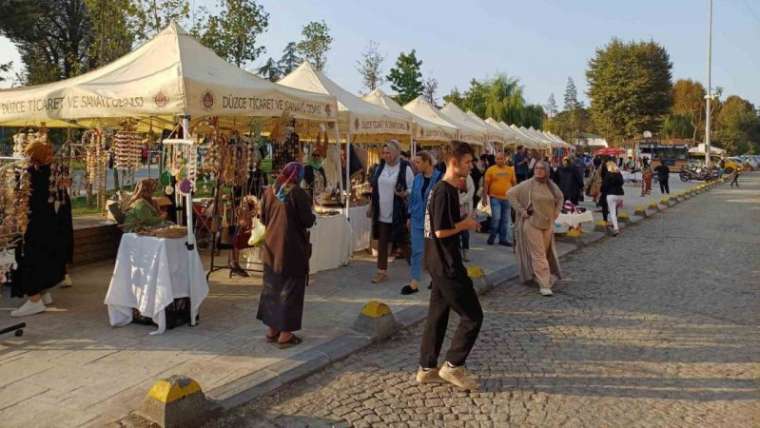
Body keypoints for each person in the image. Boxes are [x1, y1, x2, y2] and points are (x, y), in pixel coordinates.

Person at [417, 141, 483, 391]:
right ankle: (453, 365)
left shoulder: (442, 188)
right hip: (447, 264)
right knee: (473, 316)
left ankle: (426, 368)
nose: (470, 166)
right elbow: (441, 230)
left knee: (437, 316)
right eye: (467, 162)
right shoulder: (444, 190)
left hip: (436, 261)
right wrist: (464, 225)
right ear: (454, 162)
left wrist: (465, 220)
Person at [10, 141, 74, 317]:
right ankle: (43, 293)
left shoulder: (28, 174)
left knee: (29, 259)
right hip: (52, 228)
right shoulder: (56, 174)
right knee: (44, 259)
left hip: (34, 228)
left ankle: (35, 299)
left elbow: (22, 201)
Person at [257, 162, 316, 349]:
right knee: (290, 290)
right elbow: (307, 220)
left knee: (272, 288)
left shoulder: (269, 191)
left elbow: (263, 219)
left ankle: (272, 329)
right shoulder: (297, 193)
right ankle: (285, 334)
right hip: (291, 248)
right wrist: (313, 217)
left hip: (271, 247)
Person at [507, 161, 563, 297]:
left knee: (543, 253)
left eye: (542, 168)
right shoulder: (528, 184)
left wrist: (556, 213)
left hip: (547, 224)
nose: (538, 170)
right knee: (539, 254)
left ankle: (536, 274)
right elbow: (510, 194)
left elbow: (560, 198)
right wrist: (521, 211)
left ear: (547, 170)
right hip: (532, 223)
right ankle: (544, 284)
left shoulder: (551, 185)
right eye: (536, 168)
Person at [369, 140, 414, 284]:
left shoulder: (404, 168)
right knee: (382, 243)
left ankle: (416, 267)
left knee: (402, 242)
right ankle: (381, 272)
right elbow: (375, 189)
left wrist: (405, 193)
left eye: (388, 152)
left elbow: (414, 188)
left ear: (395, 152)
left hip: (398, 211)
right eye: (384, 153)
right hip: (382, 211)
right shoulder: (380, 167)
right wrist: (371, 205)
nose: (385, 155)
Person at [401, 151, 441, 295]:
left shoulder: (439, 178)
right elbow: (413, 199)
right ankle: (414, 282)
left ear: (427, 162)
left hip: (434, 220)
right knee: (417, 250)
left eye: (418, 162)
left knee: (433, 252)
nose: (415, 165)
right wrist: (409, 216)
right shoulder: (417, 178)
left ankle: (435, 279)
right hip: (417, 219)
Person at [483, 152, 516, 246]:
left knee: (505, 220)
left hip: (507, 198)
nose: (499, 160)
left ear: (505, 159)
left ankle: (503, 239)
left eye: (501, 158)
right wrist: (485, 197)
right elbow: (486, 184)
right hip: (495, 198)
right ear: (495, 160)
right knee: (496, 218)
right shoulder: (490, 170)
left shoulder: (510, 170)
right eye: (497, 159)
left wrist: (516, 197)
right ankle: (492, 236)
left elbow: (514, 184)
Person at [230, 196, 258, 277]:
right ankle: (234, 263)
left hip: (251, 235)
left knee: (235, 240)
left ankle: (234, 263)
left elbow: (249, 225)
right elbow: (242, 223)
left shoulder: (252, 213)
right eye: (243, 204)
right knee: (235, 239)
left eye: (245, 205)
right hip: (244, 234)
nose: (243, 206)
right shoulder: (241, 212)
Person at [603, 161, 625, 236]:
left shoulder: (608, 174)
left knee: (612, 212)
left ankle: (616, 228)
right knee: (614, 210)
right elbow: (622, 182)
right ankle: (611, 223)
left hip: (611, 194)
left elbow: (605, 185)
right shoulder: (619, 173)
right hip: (620, 195)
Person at [458, 172, 476, 261]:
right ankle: (457, 252)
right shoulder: (450, 176)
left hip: (465, 208)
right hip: (454, 209)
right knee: (455, 232)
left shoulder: (467, 177)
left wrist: (461, 201)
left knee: (465, 233)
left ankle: (465, 252)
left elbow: (471, 192)